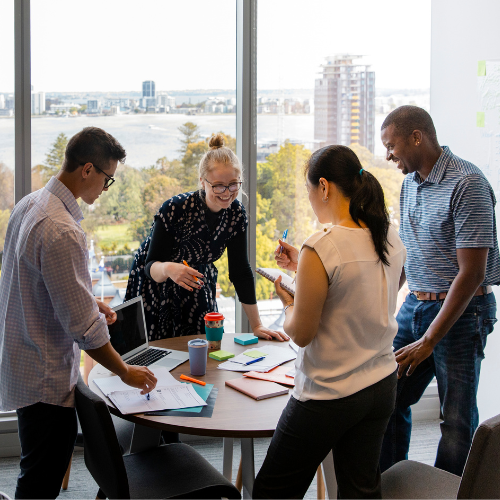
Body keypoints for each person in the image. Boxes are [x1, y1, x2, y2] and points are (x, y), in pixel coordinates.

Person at [0, 127, 157, 499]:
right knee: (40, 480)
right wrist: (125, 371)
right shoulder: (62, 229)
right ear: (87, 170)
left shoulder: (31, 203)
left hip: (21, 357)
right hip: (45, 375)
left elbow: (34, 283)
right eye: (108, 179)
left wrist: (89, 301)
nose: (106, 189)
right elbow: (85, 330)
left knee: (33, 463)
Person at [252, 145, 406, 499]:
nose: (310, 199)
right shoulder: (389, 235)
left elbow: (301, 334)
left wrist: (290, 302)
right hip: (380, 384)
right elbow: (370, 291)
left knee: (272, 491)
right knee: (360, 490)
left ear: (323, 186)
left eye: (309, 191)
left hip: (329, 394)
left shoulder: (321, 246)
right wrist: (303, 271)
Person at [379, 105, 500, 476]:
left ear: (417, 137)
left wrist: (430, 339)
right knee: (386, 397)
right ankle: (391, 483)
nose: (388, 155)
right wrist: (380, 304)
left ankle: (449, 491)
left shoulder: (468, 184)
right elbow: (409, 252)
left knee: (456, 420)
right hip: (416, 305)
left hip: (463, 313)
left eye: (391, 146)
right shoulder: (409, 182)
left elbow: (472, 273)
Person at [126, 133, 287, 341]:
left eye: (234, 184)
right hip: (156, 285)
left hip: (197, 282)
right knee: (159, 355)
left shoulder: (236, 214)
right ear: (203, 182)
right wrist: (169, 268)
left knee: (204, 348)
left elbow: (240, 272)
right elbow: (150, 266)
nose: (227, 192)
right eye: (218, 185)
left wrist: (256, 325)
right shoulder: (175, 208)